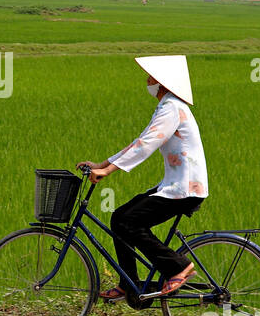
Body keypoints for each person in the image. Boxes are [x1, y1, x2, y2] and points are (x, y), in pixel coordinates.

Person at [80, 55, 209, 300]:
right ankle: (128, 285)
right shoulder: (168, 106)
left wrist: (108, 171)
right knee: (119, 218)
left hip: (184, 189)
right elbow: (139, 141)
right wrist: (103, 164)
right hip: (175, 186)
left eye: (151, 77)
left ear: (162, 83)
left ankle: (178, 267)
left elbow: (147, 144)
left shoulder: (172, 108)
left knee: (130, 223)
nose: (147, 80)